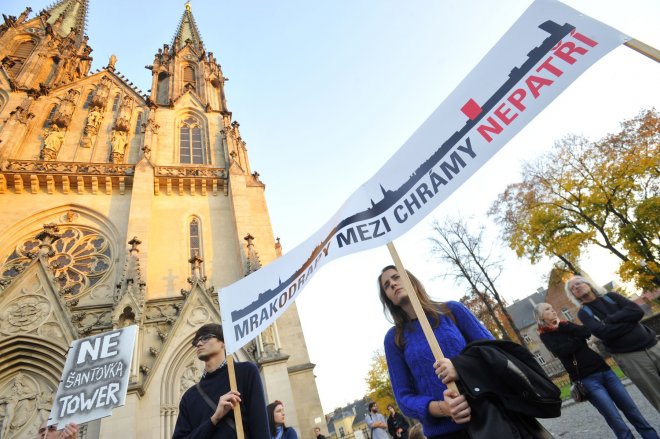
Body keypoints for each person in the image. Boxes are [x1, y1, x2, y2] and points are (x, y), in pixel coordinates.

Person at [379, 266, 493, 438]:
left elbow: (495, 352)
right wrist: (442, 408)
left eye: (396, 277)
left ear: (411, 280)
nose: (393, 284)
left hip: (490, 417)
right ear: (387, 298)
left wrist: (460, 367)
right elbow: (403, 397)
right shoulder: (394, 339)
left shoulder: (452, 311)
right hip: (445, 433)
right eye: (386, 285)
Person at [535, 302, 658, 439]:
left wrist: (564, 326)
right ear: (541, 316)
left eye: (552, 308)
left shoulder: (566, 324)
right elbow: (562, 351)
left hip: (605, 370)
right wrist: (578, 339)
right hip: (587, 380)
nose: (552, 311)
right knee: (614, 419)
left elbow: (586, 332)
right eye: (547, 309)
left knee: (632, 410)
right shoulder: (545, 335)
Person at [566, 275, 660, 412]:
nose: (576, 287)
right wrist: (630, 322)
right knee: (656, 395)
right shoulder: (584, 313)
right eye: (572, 288)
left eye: (578, 283)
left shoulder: (612, 297)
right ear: (573, 295)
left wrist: (610, 320)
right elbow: (603, 333)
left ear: (589, 284)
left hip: (654, 345)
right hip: (631, 358)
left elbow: (637, 311)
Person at [172, 323, 269, 439]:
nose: (198, 344)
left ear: (223, 342)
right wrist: (214, 419)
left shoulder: (245, 372)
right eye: (196, 342)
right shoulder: (189, 396)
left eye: (206, 338)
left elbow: (260, 426)